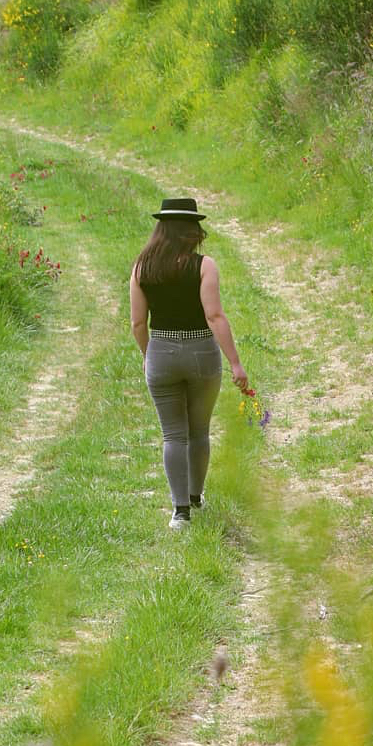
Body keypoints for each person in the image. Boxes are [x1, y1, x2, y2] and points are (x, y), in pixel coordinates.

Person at [130, 197, 249, 529]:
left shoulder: (142, 267)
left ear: (161, 229)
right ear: (192, 230)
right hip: (201, 353)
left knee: (173, 435)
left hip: (162, 353)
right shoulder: (204, 266)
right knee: (199, 432)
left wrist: (148, 354)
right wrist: (236, 363)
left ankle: (179, 512)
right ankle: (196, 497)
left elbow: (138, 324)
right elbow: (214, 315)